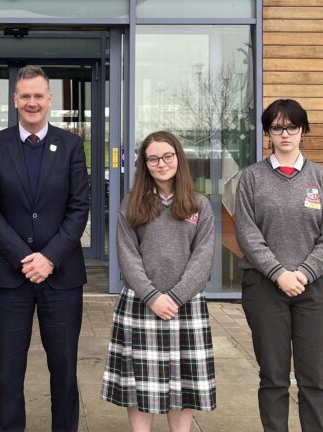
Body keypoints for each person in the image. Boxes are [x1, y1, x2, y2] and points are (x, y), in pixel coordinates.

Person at [0, 65, 90, 432]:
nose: (32, 102)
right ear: (14, 100)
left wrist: (50, 258)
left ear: (49, 99)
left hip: (62, 278)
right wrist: (26, 260)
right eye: (25, 96)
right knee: (8, 372)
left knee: (64, 371)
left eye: (38, 95)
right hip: (11, 278)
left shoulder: (72, 145)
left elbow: (79, 207)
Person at [235, 99, 323, 432]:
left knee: (313, 378)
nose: (285, 134)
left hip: (314, 289)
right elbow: (247, 233)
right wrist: (279, 273)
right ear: (268, 132)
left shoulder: (321, 178)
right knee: (273, 377)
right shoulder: (251, 179)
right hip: (264, 289)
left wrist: (305, 272)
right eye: (277, 127)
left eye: (292, 126)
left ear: (302, 131)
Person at [101, 131, 216, 431]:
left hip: (186, 306)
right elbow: (127, 255)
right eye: (153, 159)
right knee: (140, 382)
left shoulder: (199, 205)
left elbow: (203, 258)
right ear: (144, 164)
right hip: (141, 303)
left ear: (179, 157)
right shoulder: (132, 204)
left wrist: (176, 297)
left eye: (167, 156)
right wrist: (151, 295)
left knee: (183, 383)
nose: (161, 163)